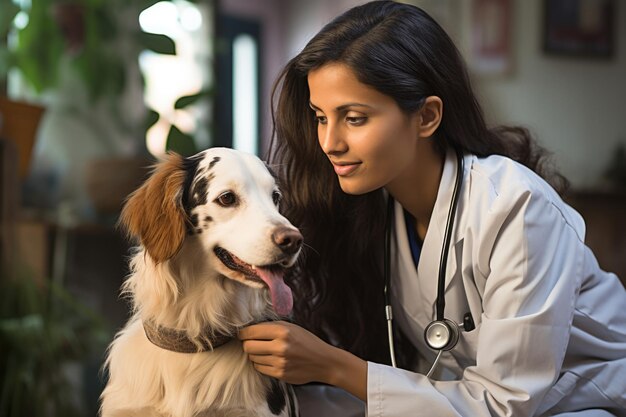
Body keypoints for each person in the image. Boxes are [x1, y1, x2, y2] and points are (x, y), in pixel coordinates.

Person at [237, 1, 626, 416]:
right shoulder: (375, 211)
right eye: (320, 117)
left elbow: (504, 403)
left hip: (587, 402)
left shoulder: (517, 208)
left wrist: (334, 366)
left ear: (426, 116)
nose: (330, 142)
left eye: (353, 118)